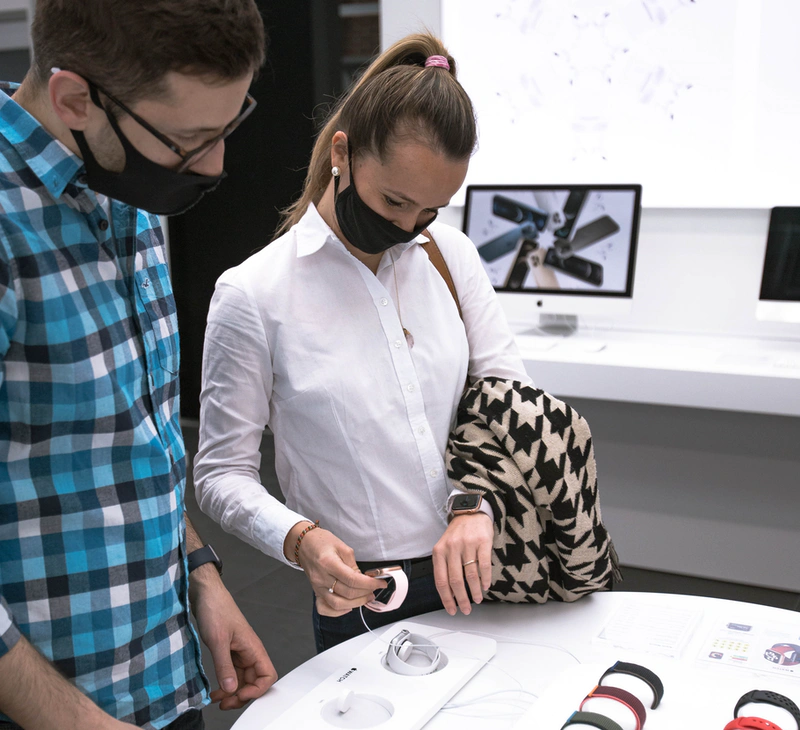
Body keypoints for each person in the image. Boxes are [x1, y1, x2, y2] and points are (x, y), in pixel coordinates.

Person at [194, 33, 533, 653]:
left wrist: (475, 504)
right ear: (343, 156)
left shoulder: (449, 255)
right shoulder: (254, 294)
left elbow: (510, 400)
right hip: (369, 596)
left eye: (430, 210)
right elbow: (220, 473)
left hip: (492, 568)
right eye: (394, 201)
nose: (406, 228)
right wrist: (298, 538)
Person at [0, 2, 276, 728]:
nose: (216, 166)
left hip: (166, 672)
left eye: (226, 128)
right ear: (74, 99)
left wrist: (200, 571)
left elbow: (137, 439)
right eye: (190, 140)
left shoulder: (126, 179)